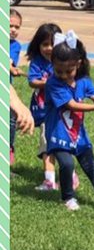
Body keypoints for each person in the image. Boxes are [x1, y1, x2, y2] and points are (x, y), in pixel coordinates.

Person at [43, 31, 94, 213]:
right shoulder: (53, 84)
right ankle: (68, 197)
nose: (63, 75)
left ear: (78, 64)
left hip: (78, 135)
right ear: (52, 65)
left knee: (91, 165)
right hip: (58, 134)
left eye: (69, 71)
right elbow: (72, 105)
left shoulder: (84, 82)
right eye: (59, 71)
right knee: (67, 164)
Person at [25, 21, 62, 190]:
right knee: (47, 144)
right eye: (45, 44)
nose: (49, 48)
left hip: (62, 110)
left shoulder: (63, 61)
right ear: (38, 45)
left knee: (61, 143)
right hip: (45, 111)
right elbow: (32, 81)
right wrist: (48, 83)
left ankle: (69, 176)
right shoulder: (37, 62)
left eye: (53, 44)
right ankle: (50, 181)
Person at [10, 8, 23, 163]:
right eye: (10, 25)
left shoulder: (15, 46)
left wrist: (12, 69)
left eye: (17, 27)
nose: (13, 30)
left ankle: (9, 149)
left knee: (11, 119)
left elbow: (9, 62)